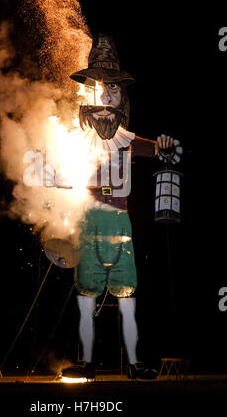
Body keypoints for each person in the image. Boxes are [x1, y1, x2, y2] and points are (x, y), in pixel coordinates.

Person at [66, 34, 181, 379]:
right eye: (99, 88)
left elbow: (172, 152)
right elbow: (46, 168)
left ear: (122, 97)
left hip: (120, 224)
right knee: (86, 295)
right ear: (88, 93)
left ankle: (134, 363)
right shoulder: (73, 137)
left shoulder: (128, 140)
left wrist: (167, 145)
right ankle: (86, 363)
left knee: (127, 296)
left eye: (113, 89)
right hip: (89, 221)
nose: (104, 95)